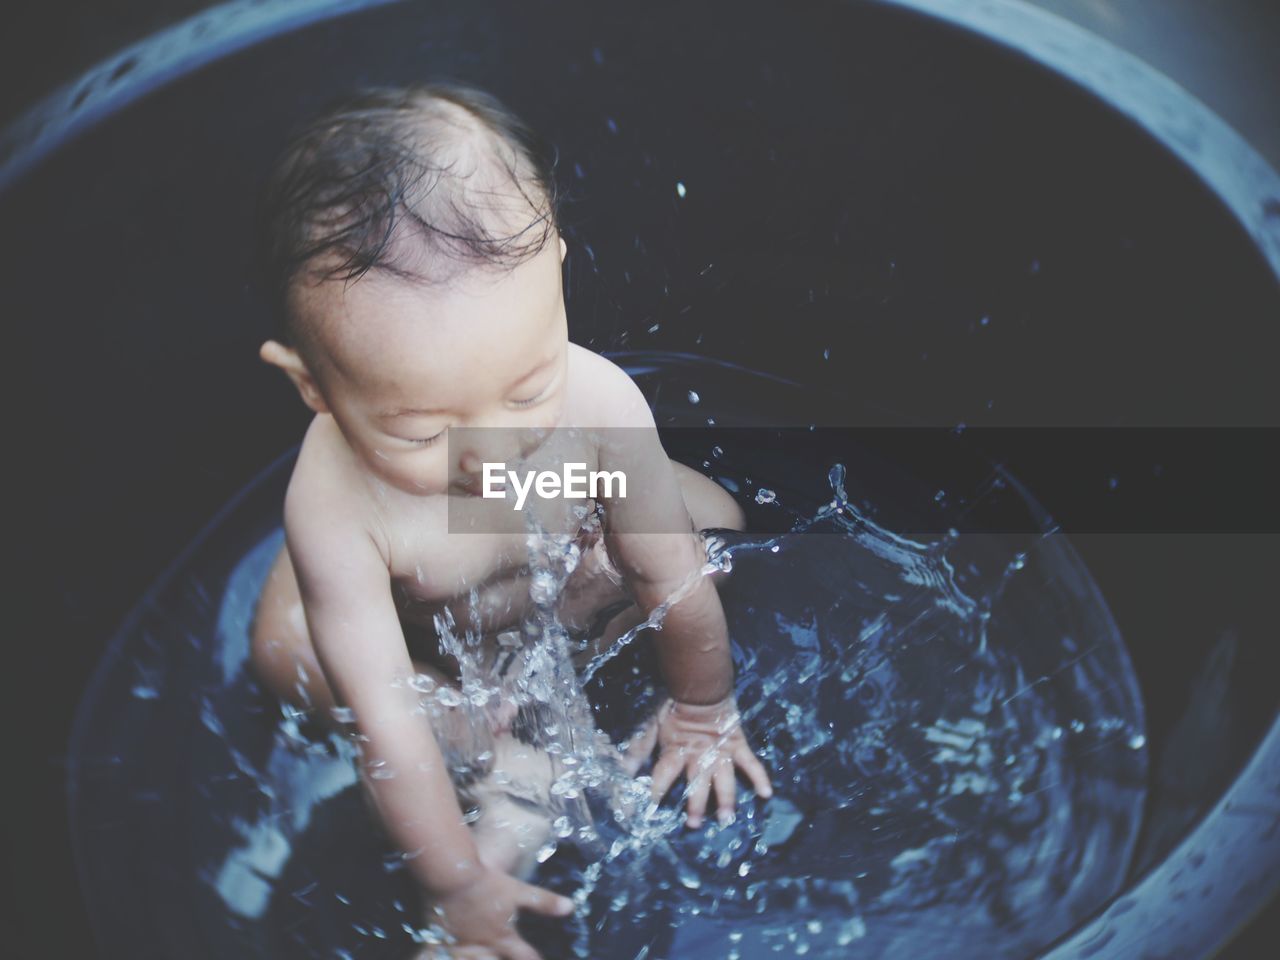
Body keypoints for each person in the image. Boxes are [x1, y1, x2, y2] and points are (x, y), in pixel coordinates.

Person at [247, 79, 773, 960]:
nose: (488, 458)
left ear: (559, 271)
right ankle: (506, 779)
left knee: (713, 532)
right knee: (317, 671)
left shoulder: (599, 397)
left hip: (529, 574)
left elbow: (668, 572)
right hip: (398, 641)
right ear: (313, 388)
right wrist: (454, 884)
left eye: (527, 388)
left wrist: (702, 704)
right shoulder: (335, 501)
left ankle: (532, 692)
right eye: (419, 428)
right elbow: (388, 725)